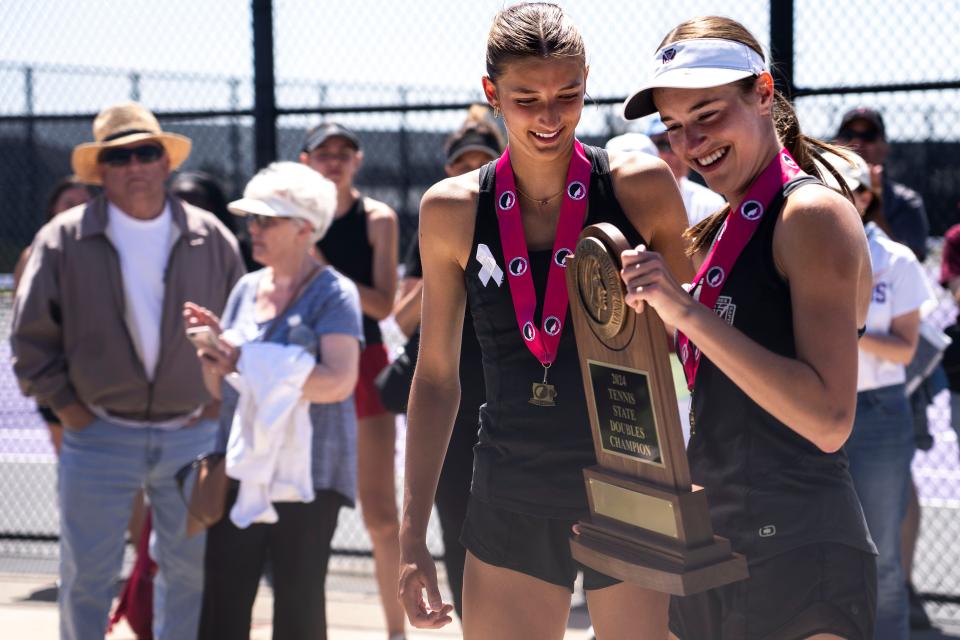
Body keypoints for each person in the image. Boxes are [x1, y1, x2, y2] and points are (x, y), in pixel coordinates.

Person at [399, 4, 692, 638]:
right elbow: (437, 379)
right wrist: (410, 536)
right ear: (491, 93)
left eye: (569, 94)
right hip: (512, 478)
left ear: (588, 80)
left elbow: (694, 343)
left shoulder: (640, 185)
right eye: (527, 98)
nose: (550, 117)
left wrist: (665, 303)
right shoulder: (450, 210)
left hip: (631, 476)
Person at [619, 18, 877, 639]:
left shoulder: (811, 214)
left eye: (707, 113)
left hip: (800, 554)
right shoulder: (723, 230)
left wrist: (683, 312)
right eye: (675, 127)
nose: (692, 142)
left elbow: (828, 420)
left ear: (763, 94)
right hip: (717, 547)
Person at [11, 101, 245, 640]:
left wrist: (213, 407)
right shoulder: (62, 240)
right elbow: (29, 341)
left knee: (186, 574)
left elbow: (242, 331)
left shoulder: (211, 237)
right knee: (86, 576)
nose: (135, 164)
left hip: (191, 435)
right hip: (96, 434)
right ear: (101, 171)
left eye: (146, 152)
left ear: (166, 162)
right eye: (119, 156)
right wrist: (71, 411)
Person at [185, 161, 362, 640]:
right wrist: (215, 355)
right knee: (222, 603)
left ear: (305, 228)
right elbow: (219, 391)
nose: (253, 229)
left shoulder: (334, 294)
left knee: (300, 609)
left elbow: (339, 381)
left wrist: (246, 359)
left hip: (311, 476)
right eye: (252, 220)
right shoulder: (245, 288)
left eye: (266, 220)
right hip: (240, 469)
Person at [391, 106, 503, 620]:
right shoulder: (440, 221)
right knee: (457, 520)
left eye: (482, 163)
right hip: (454, 401)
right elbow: (401, 318)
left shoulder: (526, 217)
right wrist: (448, 266)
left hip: (509, 398)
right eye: (462, 165)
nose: (470, 174)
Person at [821, 150, 933, 639]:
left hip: (878, 412)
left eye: (857, 188)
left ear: (869, 196)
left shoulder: (896, 259)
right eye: (835, 185)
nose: (847, 195)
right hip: (814, 407)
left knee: (882, 556)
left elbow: (907, 348)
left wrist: (846, 326)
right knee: (818, 549)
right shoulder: (807, 246)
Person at [299, 121, 404, 639]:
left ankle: (396, 632)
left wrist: (322, 269)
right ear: (306, 161)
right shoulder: (293, 220)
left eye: (345, 152)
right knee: (299, 509)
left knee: (382, 515)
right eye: (324, 152)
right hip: (304, 364)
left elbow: (383, 304)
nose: (334, 160)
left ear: (358, 160)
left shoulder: (377, 219)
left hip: (365, 361)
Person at [13, 176, 95, 455]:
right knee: (70, 460)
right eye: (68, 203)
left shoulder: (109, 253)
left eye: (84, 203)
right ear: (53, 209)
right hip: (59, 378)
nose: (76, 209)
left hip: (103, 377)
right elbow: (25, 323)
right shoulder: (35, 253)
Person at [642, 114, 726, 227]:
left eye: (680, 142)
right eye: (663, 145)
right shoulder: (631, 203)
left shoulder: (710, 203)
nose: (674, 153)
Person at [170, 171, 257, 271]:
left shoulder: (234, 247)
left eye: (193, 205)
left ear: (212, 207)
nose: (187, 212)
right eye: (178, 205)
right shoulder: (161, 243)